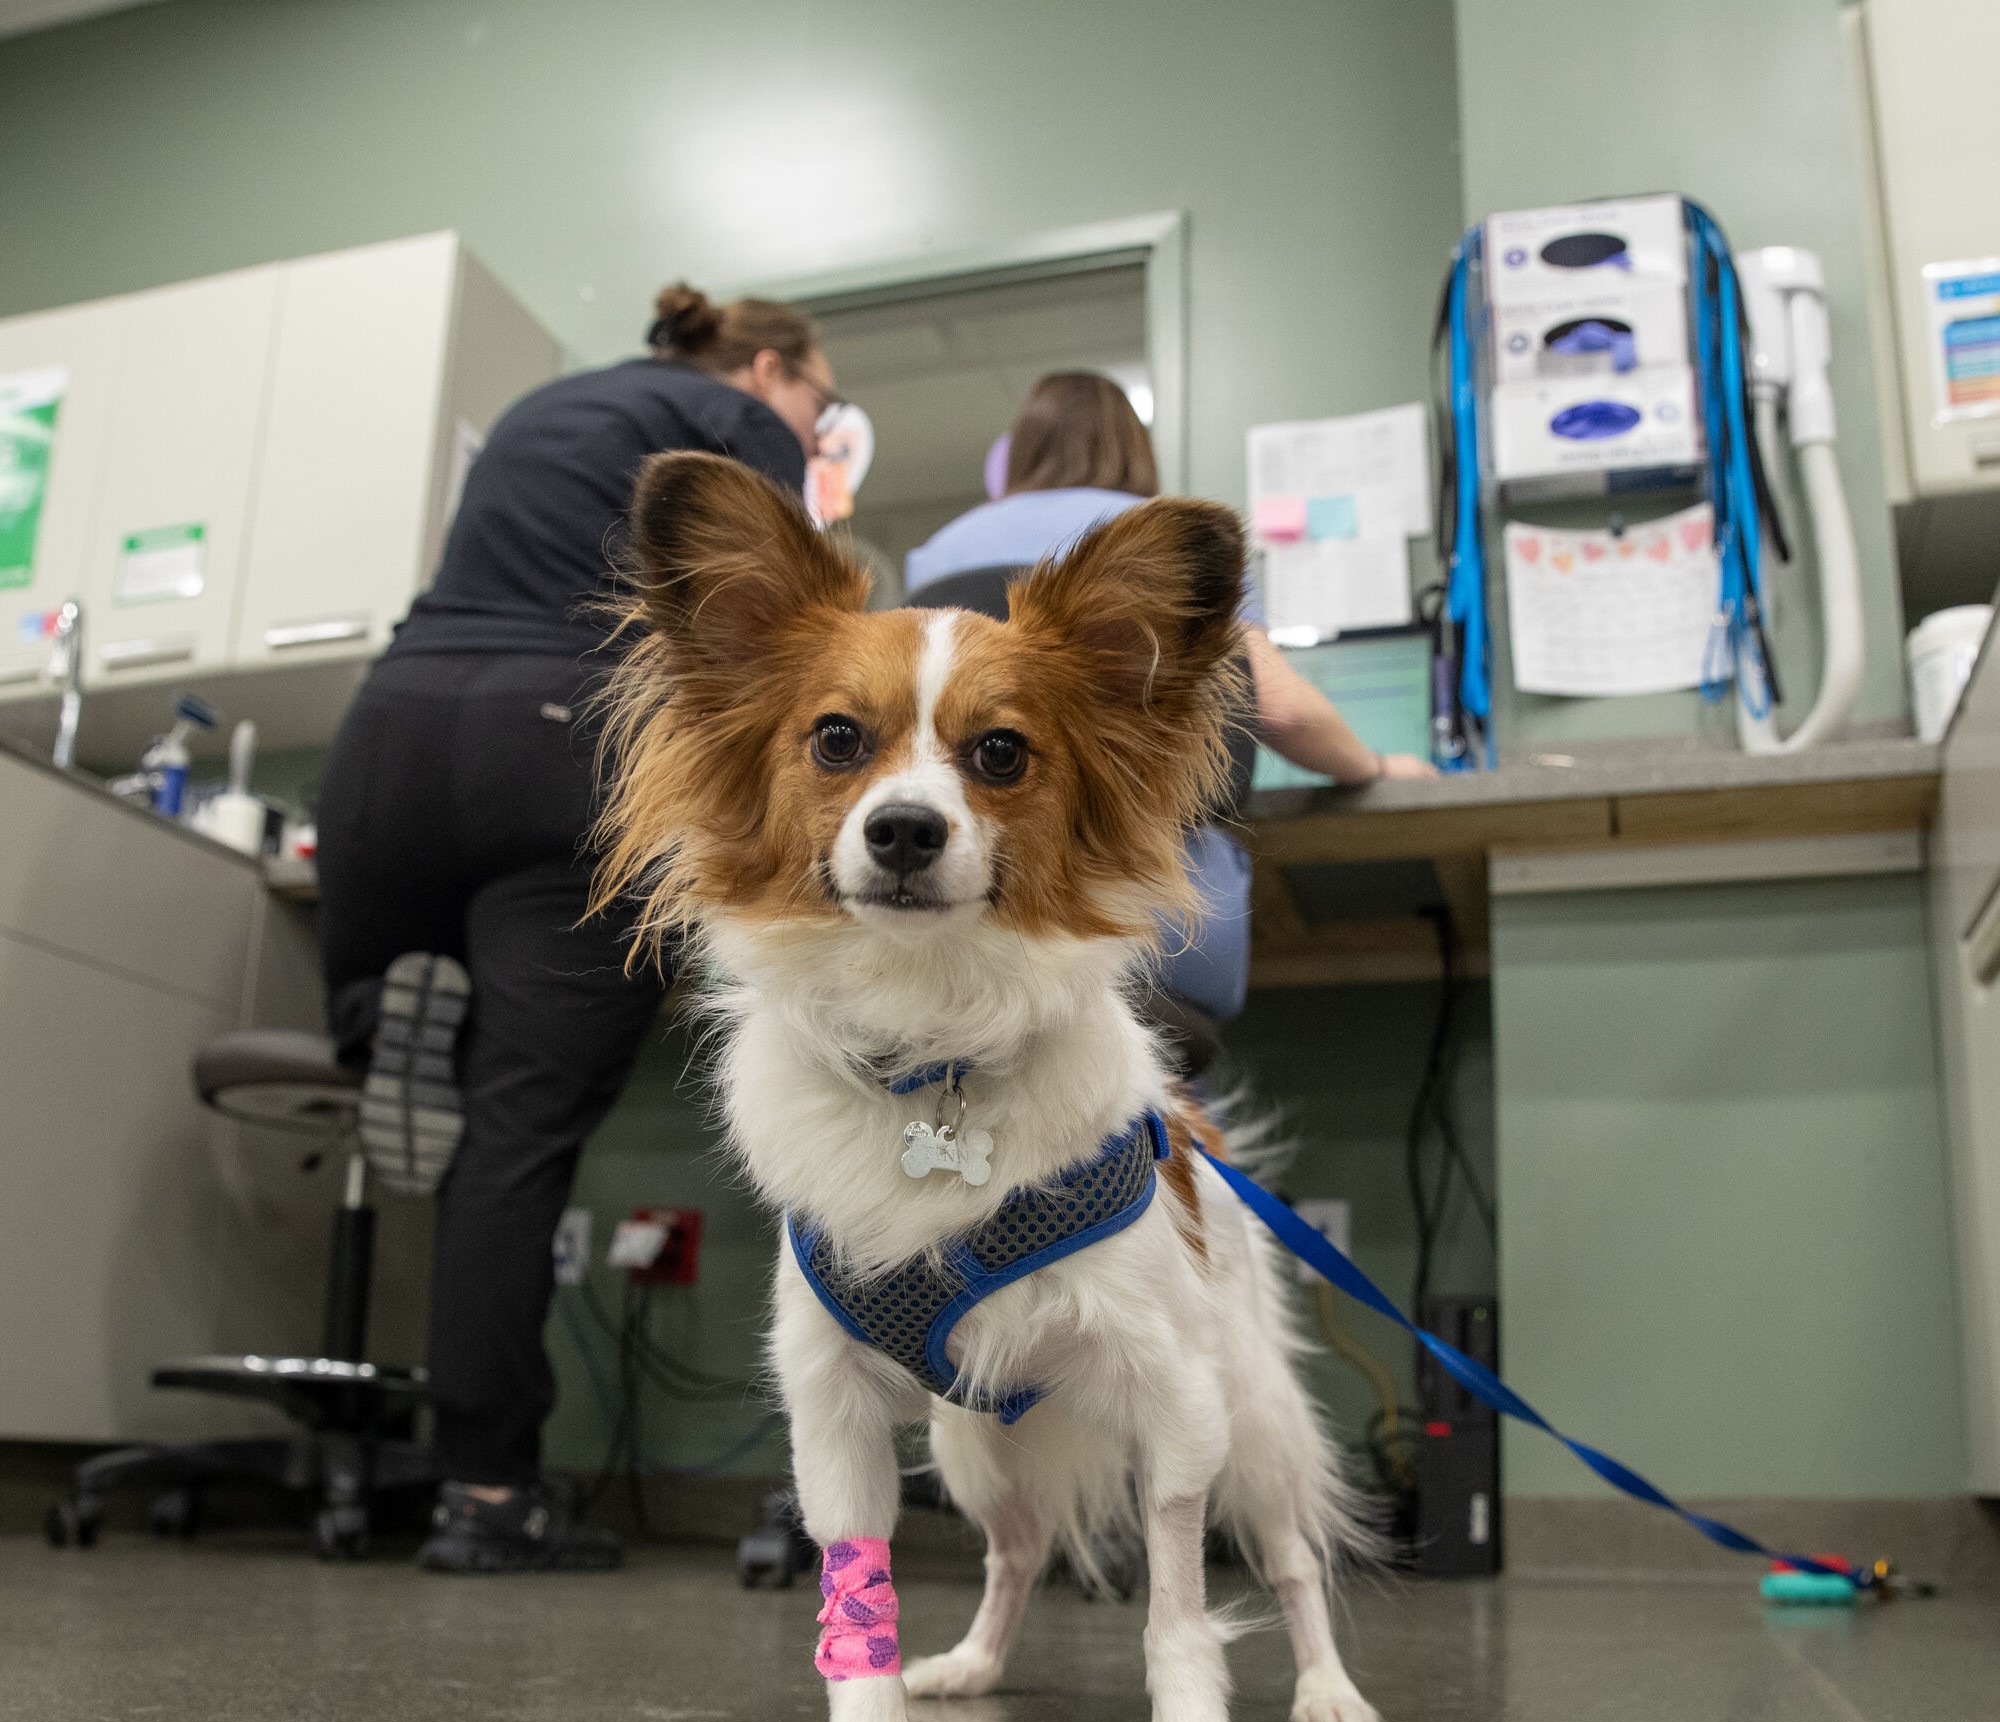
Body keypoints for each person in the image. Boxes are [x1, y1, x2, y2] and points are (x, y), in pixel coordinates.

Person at [314, 285, 839, 1573]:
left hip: (386, 739)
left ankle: (382, 1023)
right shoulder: (734, 424)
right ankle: (486, 1492)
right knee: (516, 1136)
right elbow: (779, 633)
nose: (818, 432)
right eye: (819, 405)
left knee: (413, 1044)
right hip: (560, 747)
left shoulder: (543, 405)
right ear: (766, 370)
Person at [904, 372, 1436, 1036]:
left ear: (1019, 453)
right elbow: (1282, 708)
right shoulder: (1159, 550)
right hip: (1154, 930)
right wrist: (1376, 767)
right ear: (1136, 450)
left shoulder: (938, 552)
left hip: (944, 934)